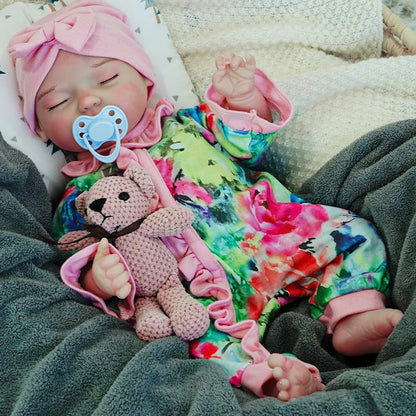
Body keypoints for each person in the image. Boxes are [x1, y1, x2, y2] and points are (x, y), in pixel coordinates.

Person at [8, 0, 403, 401]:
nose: (89, 102)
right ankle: (267, 378)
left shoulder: (189, 123)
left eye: (106, 78)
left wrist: (243, 98)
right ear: (42, 131)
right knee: (198, 341)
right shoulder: (80, 194)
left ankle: (355, 313)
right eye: (58, 102)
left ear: (147, 83)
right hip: (197, 293)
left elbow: (247, 143)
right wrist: (100, 278)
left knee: (352, 233)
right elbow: (78, 251)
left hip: (272, 237)